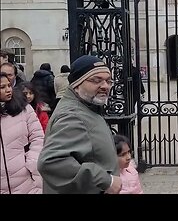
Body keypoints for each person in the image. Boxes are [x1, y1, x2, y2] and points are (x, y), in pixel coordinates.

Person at [37, 55, 122, 194]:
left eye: (108, 81)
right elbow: (50, 161)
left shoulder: (87, 107)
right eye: (96, 80)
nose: (105, 86)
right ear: (77, 84)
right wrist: (106, 180)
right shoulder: (72, 116)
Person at [0, 72, 44, 194]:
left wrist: (32, 161)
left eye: (9, 85)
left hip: (27, 181)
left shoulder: (24, 108)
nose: (8, 90)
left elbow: (38, 136)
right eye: (2, 87)